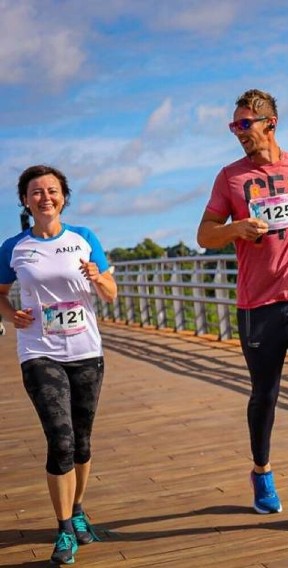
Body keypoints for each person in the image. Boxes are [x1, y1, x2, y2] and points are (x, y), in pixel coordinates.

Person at [196, 88, 288, 527]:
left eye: (245, 124)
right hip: (256, 304)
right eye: (233, 126)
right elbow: (204, 234)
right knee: (266, 395)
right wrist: (236, 228)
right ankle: (262, 473)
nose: (239, 133)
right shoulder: (230, 178)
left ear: (270, 124)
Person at [0, 165, 118, 565]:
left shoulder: (84, 238)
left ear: (63, 196)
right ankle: (64, 527)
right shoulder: (14, 246)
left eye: (52, 190)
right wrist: (8, 313)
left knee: (82, 443)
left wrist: (96, 276)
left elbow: (111, 294)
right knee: (61, 440)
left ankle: (79, 508)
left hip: (85, 350)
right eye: (36, 191)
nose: (44, 197)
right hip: (39, 351)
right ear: (25, 200)